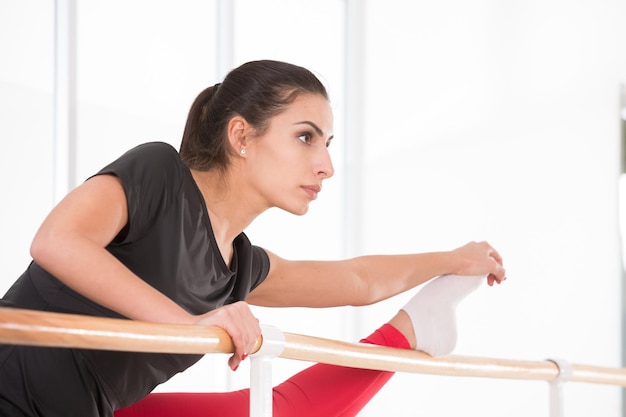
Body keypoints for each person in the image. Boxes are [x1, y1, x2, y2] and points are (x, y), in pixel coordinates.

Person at [0, 60, 506, 417]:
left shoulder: (238, 268)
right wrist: (194, 324)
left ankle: (411, 331)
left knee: (269, 412)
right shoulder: (157, 174)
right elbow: (57, 242)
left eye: (328, 145)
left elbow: (355, 279)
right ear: (241, 136)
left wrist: (453, 259)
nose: (326, 165)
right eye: (305, 137)